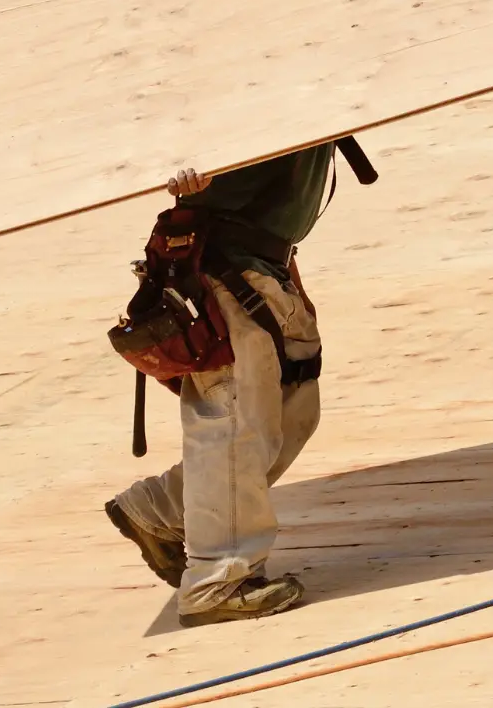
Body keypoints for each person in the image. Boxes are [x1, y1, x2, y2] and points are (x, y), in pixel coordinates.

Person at [104, 143, 334, 626]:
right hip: (224, 262)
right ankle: (218, 580)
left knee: (294, 406)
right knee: (234, 421)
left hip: (263, 257)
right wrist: (182, 156)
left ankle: (161, 507)